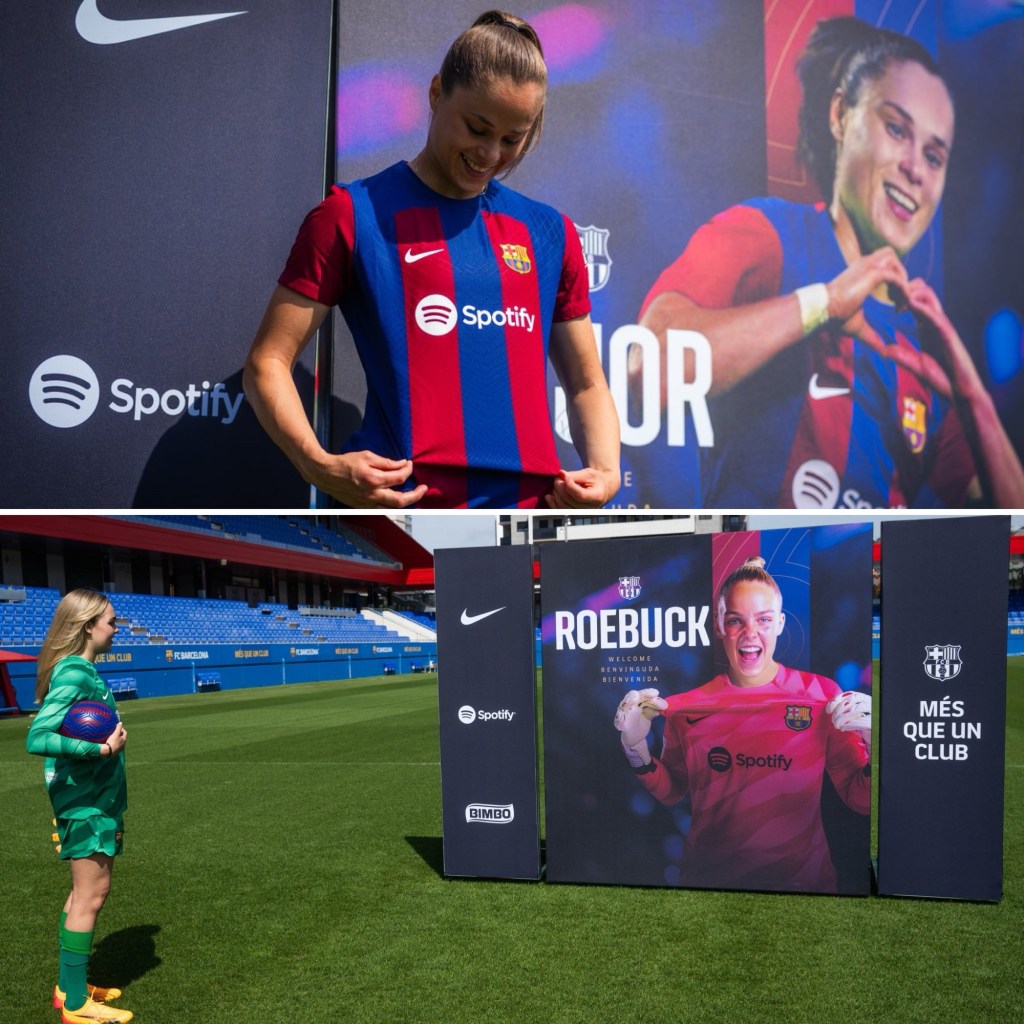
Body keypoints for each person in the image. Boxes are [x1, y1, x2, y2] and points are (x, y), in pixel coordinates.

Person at [638, 16, 1024, 509]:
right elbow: (647, 367)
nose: (914, 169)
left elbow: (1011, 532)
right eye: (895, 128)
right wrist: (825, 303)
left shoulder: (919, 345)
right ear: (840, 115)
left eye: (934, 156)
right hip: (754, 578)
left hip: (868, 587)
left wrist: (973, 398)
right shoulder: (770, 234)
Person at [245, 10, 620, 509]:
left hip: (527, 516)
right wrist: (318, 464)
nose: (491, 153)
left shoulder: (550, 232)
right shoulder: (352, 214)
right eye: (477, 127)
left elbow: (587, 384)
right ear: (436, 92)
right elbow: (266, 362)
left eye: (513, 139)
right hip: (402, 512)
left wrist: (608, 472)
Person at [614, 557, 871, 893]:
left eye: (763, 620)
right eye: (737, 620)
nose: (751, 633)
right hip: (709, 885)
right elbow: (672, 790)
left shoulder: (822, 696)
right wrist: (636, 750)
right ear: (720, 625)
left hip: (805, 885)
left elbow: (860, 798)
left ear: (780, 623)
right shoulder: (684, 706)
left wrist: (875, 742)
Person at [26, 590, 131, 1024]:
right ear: (89, 626)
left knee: (80, 894)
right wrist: (101, 751)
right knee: (92, 893)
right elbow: (37, 737)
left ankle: (68, 988)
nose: (116, 627)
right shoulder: (75, 672)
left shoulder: (83, 670)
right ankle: (74, 1007)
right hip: (86, 802)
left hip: (91, 799)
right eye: (110, 620)